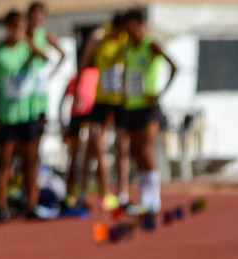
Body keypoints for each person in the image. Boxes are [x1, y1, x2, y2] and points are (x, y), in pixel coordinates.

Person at [0, 10, 48, 222]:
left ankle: (32, 204)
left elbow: (45, 58)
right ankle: (2, 206)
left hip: (27, 113)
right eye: (14, 27)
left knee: (30, 160)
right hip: (7, 115)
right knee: (4, 161)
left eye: (21, 26)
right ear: (7, 27)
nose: (17, 30)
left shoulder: (28, 48)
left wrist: (28, 41)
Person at [120, 8, 177, 215]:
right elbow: (127, 74)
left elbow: (174, 66)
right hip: (132, 107)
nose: (128, 31)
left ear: (139, 24)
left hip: (149, 108)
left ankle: (155, 199)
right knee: (137, 154)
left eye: (130, 26)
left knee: (146, 151)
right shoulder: (129, 48)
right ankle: (145, 199)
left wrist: (160, 92)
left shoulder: (151, 44)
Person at [78, 13, 130, 211]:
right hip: (101, 99)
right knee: (93, 143)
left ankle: (122, 193)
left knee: (122, 147)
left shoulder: (129, 40)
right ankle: (86, 190)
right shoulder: (99, 37)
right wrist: (79, 91)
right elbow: (83, 64)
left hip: (121, 101)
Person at [59, 65, 98, 210]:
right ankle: (69, 195)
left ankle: (86, 194)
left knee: (92, 157)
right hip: (76, 118)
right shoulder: (76, 75)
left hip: (92, 117)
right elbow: (64, 101)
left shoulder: (95, 73)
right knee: (74, 158)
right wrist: (64, 125)